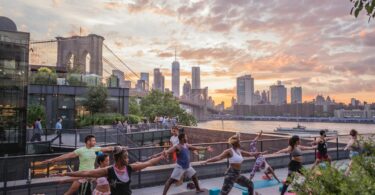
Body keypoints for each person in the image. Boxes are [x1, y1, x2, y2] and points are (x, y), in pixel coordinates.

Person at [59, 146, 165, 195]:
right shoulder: (108, 170)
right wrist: (66, 173)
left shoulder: (130, 168)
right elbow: (86, 173)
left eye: (128, 157)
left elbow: (149, 163)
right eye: (126, 157)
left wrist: (161, 157)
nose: (128, 159)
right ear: (119, 159)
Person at [38, 135, 115, 195]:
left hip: (91, 176)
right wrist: (52, 160)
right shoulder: (81, 150)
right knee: (71, 191)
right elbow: (67, 156)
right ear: (88, 142)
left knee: (73, 191)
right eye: (93, 141)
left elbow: (107, 150)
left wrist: (119, 148)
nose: (95, 142)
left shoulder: (95, 150)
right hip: (81, 176)